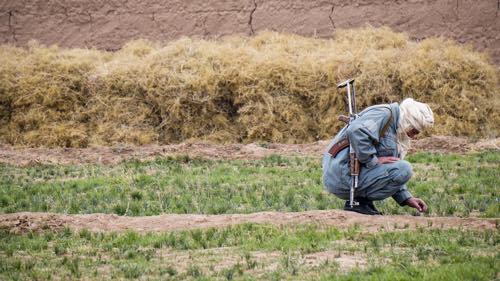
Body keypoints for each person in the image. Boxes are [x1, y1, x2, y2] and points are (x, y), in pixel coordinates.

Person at [322, 98, 434, 215]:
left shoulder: (395, 126)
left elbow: (389, 169)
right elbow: (356, 131)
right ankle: (359, 203)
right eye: (415, 131)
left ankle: (362, 203)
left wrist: (406, 198)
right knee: (405, 168)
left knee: (401, 168)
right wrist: (372, 160)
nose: (415, 136)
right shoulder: (384, 114)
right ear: (409, 122)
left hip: (346, 176)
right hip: (342, 175)